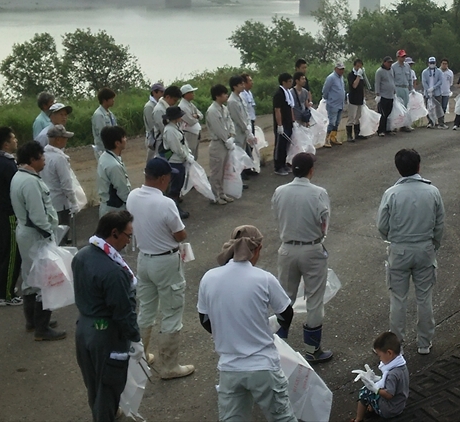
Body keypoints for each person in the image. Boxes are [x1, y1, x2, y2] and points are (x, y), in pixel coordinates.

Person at [197, 225, 296, 422]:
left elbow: (205, 320)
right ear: (257, 249)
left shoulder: (209, 278)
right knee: (282, 418)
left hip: (229, 369)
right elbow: (286, 313)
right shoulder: (264, 279)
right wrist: (271, 327)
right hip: (263, 366)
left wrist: (229, 332)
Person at [126, 158, 194, 380]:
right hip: (165, 261)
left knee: (146, 309)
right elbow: (180, 234)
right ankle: (169, 365)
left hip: (144, 258)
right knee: (172, 311)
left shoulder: (133, 196)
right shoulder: (165, 203)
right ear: (164, 179)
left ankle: (140, 355)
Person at [72, 210, 141, 422]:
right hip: (106, 334)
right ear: (114, 233)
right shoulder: (113, 272)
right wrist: (135, 338)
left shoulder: (82, 255)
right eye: (128, 236)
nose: (129, 242)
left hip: (84, 328)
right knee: (108, 387)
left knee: (93, 383)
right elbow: (122, 311)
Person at [377, 149, 445, 355]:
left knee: (398, 299)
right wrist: (434, 244)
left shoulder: (392, 193)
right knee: (424, 297)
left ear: (398, 169)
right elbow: (440, 224)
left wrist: (393, 238)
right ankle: (424, 343)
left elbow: (382, 225)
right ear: (419, 166)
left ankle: (396, 346)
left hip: (399, 250)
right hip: (425, 248)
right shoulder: (432, 191)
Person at [272, 153, 333, 363]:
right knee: (314, 300)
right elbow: (324, 223)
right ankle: (312, 349)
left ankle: (279, 346)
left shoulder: (280, 191)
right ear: (311, 170)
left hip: (287, 248)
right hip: (312, 249)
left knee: (284, 298)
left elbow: (277, 215)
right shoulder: (318, 193)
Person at [11, 141, 65, 340]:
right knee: (44, 280)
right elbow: (38, 217)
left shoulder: (19, 177)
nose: (44, 161)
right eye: (42, 158)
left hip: (26, 233)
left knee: (29, 277)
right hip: (37, 235)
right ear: (32, 160)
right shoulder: (31, 182)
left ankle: (32, 321)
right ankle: (42, 329)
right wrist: (50, 236)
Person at [0, 127, 22, 305]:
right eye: (13, 138)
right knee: (12, 254)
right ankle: (6, 295)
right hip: (7, 214)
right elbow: (16, 189)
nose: (16, 141)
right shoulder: (7, 164)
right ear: (6, 144)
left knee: (2, 250)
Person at [351, 331, 409, 422]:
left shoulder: (392, 374)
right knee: (372, 388)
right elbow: (392, 383)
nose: (379, 359)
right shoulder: (401, 365)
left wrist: (374, 388)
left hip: (389, 410)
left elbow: (389, 395)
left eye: (380, 355)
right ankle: (372, 407)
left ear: (389, 353)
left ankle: (358, 419)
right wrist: (376, 378)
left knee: (364, 392)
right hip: (399, 404)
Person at [42, 124, 80, 242]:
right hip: (60, 203)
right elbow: (66, 183)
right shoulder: (59, 158)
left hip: (47, 201)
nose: (66, 140)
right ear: (58, 139)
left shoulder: (42, 155)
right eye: (64, 138)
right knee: (62, 235)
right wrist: (73, 202)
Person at [161, 105, 192, 219]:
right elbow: (176, 148)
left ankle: (174, 206)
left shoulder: (175, 127)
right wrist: (185, 156)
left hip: (179, 160)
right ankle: (174, 210)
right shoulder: (170, 130)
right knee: (175, 187)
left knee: (178, 184)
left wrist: (188, 153)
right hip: (175, 160)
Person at [208, 84, 237, 204]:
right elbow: (218, 129)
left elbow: (230, 122)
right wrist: (226, 140)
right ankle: (215, 196)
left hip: (226, 142)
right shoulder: (212, 111)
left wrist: (232, 135)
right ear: (217, 96)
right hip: (218, 144)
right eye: (224, 94)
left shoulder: (224, 108)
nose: (226, 96)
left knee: (224, 170)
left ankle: (222, 193)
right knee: (216, 171)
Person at [97, 125, 131, 219]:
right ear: (117, 143)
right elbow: (123, 192)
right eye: (123, 137)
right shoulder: (114, 166)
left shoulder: (105, 156)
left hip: (107, 207)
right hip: (115, 210)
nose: (126, 139)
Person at [273, 73, 295, 176]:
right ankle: (278, 166)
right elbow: (277, 110)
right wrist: (279, 125)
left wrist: (293, 120)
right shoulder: (279, 94)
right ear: (284, 82)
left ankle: (284, 164)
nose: (291, 83)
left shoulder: (287, 92)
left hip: (288, 122)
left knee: (286, 145)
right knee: (280, 145)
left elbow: (290, 107)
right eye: (289, 81)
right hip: (282, 124)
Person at [228, 75, 255, 151]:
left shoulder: (241, 97)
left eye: (243, 84)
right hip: (239, 131)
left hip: (246, 129)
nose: (243, 86)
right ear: (234, 86)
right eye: (241, 84)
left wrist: (249, 125)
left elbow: (247, 113)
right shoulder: (232, 101)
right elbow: (238, 119)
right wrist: (247, 130)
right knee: (240, 152)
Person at [322, 62, 346, 147]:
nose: (341, 71)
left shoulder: (341, 78)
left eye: (342, 69)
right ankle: (326, 139)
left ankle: (333, 137)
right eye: (340, 69)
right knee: (331, 122)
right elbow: (325, 90)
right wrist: (328, 99)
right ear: (335, 69)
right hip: (333, 103)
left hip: (340, 103)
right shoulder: (331, 78)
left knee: (337, 122)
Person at [151, 85, 182, 151]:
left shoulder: (167, 107)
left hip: (171, 139)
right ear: (168, 97)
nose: (175, 103)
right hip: (163, 142)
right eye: (174, 100)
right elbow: (163, 129)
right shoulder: (159, 110)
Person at [346, 59, 369, 141]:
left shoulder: (362, 75)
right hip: (353, 99)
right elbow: (354, 85)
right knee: (351, 118)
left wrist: (364, 97)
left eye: (360, 66)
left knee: (358, 117)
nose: (359, 68)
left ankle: (357, 133)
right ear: (354, 66)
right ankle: (349, 135)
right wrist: (358, 76)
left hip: (360, 98)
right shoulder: (351, 75)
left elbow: (363, 87)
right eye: (357, 66)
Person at [179, 84, 204, 159]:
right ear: (185, 94)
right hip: (189, 133)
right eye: (191, 92)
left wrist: (197, 116)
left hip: (195, 132)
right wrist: (196, 117)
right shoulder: (182, 106)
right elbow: (191, 121)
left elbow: (201, 115)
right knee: (190, 154)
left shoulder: (190, 104)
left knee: (195, 155)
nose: (193, 94)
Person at [91, 88, 117, 159]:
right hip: (103, 150)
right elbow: (103, 134)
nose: (113, 100)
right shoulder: (99, 115)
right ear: (104, 100)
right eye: (111, 98)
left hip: (111, 148)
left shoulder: (110, 113)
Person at [391, 50, 413, 131]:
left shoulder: (407, 66)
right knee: (397, 107)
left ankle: (405, 125)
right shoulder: (393, 67)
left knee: (405, 106)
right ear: (398, 57)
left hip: (405, 88)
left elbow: (410, 78)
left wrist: (411, 88)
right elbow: (392, 79)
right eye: (402, 56)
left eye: (404, 56)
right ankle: (395, 125)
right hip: (397, 87)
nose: (403, 58)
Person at [420, 57, 444, 129]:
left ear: (435, 63)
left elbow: (440, 81)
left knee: (439, 108)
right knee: (429, 108)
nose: (432, 64)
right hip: (427, 93)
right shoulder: (424, 72)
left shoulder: (439, 71)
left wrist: (433, 88)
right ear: (428, 63)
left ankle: (441, 123)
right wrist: (428, 90)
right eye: (431, 63)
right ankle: (430, 122)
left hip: (437, 92)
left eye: (433, 63)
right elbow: (424, 82)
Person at [143, 83, 165, 162]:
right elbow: (151, 124)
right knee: (151, 160)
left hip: (157, 136)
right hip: (153, 138)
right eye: (161, 92)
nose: (163, 94)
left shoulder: (158, 104)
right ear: (154, 92)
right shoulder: (149, 106)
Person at [375, 56, 396, 137]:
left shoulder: (391, 70)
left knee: (388, 113)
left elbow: (392, 81)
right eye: (388, 62)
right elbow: (377, 83)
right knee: (382, 114)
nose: (390, 64)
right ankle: (381, 130)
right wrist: (378, 94)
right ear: (384, 62)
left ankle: (387, 129)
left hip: (390, 95)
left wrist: (394, 91)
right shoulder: (379, 71)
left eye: (391, 63)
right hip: (383, 96)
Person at [436, 59, 453, 125]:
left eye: (446, 64)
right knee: (438, 107)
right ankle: (438, 120)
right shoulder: (437, 71)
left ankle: (441, 121)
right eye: (443, 63)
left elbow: (451, 82)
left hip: (446, 92)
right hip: (438, 92)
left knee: (444, 107)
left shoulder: (450, 72)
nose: (444, 65)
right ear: (440, 64)